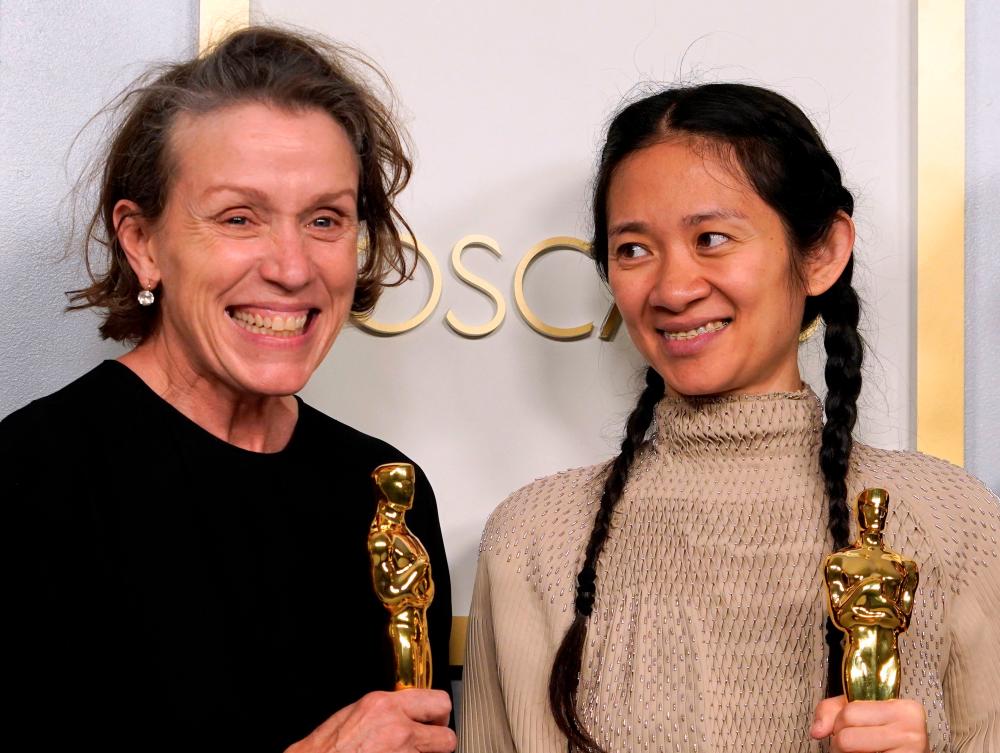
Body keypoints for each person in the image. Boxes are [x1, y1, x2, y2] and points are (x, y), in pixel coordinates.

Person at [459, 84, 999, 753]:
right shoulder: (534, 537)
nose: (673, 287)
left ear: (822, 252)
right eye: (633, 249)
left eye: (711, 238)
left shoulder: (952, 519)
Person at [2, 27, 455, 753]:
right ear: (143, 243)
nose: (291, 265)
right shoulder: (30, 480)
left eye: (325, 219)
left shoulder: (385, 492)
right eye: (239, 217)